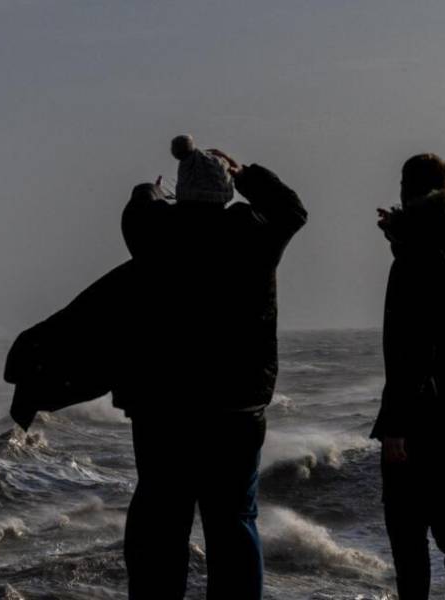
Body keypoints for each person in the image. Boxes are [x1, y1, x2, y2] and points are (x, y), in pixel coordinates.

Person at [117, 136, 307, 599]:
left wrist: (155, 188)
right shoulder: (255, 234)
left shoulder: (153, 231)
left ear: (182, 193)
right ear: (227, 191)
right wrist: (245, 174)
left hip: (164, 409)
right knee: (233, 523)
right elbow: (292, 210)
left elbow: (138, 205)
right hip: (236, 408)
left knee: (161, 523)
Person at [372, 153, 445, 600]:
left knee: (408, 538)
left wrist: (396, 426)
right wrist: (401, 237)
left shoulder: (419, 258)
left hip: (419, 413)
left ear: (406, 188)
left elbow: (412, 346)